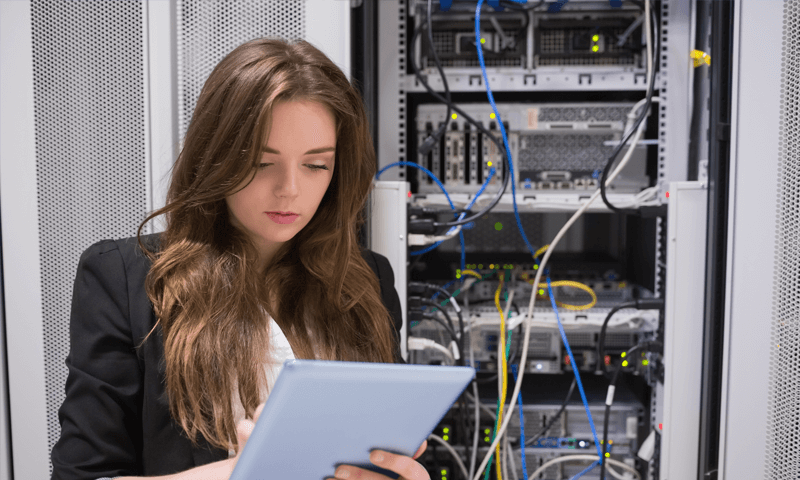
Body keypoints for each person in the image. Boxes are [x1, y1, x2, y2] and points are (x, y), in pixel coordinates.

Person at [51, 38, 429, 480]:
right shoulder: (123, 277)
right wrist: (243, 472)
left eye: (316, 165)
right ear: (217, 157)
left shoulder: (367, 279)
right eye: (262, 162)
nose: (289, 189)